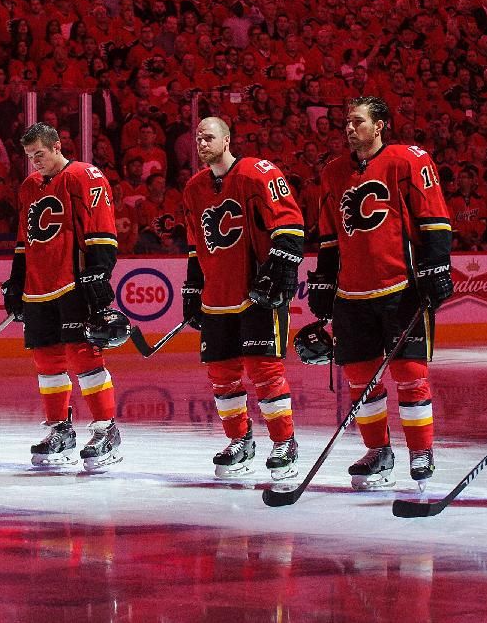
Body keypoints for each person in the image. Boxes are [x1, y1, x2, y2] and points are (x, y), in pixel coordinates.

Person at [307, 97, 452, 490]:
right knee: (360, 378)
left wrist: (436, 265)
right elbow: (329, 234)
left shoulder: (408, 160)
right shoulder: (333, 172)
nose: (349, 128)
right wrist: (323, 280)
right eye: (346, 122)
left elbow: (434, 218)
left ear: (381, 124)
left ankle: (421, 451)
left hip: (400, 288)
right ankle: (378, 451)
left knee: (409, 374)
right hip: (352, 293)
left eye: (357, 121)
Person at [181, 116, 304, 481]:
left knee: (264, 371)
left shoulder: (257, 173)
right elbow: (195, 246)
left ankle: (284, 442)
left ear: (227, 138)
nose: (202, 143)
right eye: (198, 138)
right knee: (222, 375)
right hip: (217, 296)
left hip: (257, 295)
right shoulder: (193, 188)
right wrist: (192, 290)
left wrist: (280, 270)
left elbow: (290, 223)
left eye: (209, 137)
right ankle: (240, 441)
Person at [1, 122, 125, 471]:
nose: (34, 162)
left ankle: (105, 428)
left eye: (38, 154)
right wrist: (16, 281)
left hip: (73, 284)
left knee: (83, 355)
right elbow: (24, 241)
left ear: (57, 145)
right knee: (47, 361)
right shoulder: (29, 187)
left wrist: (99, 271)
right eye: (29, 156)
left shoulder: (85, 175)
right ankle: (60, 429)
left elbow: (102, 227)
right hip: (39, 287)